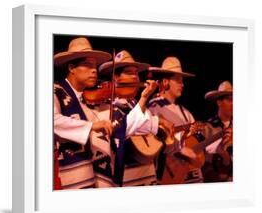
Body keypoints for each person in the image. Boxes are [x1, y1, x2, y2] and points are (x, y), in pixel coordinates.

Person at [98, 50, 173, 187]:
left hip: (148, 178)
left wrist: (168, 138)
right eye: (129, 72)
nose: (135, 77)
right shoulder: (105, 107)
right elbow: (124, 129)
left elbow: (151, 145)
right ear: (116, 77)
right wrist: (146, 102)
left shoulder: (137, 106)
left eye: (136, 73)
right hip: (126, 182)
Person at [53, 37, 113, 189]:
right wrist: (91, 126)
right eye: (87, 65)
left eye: (95, 66)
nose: (94, 70)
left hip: (99, 174)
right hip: (72, 175)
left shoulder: (97, 99)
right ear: (71, 68)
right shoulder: (55, 91)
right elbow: (52, 121)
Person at [148, 56, 204, 184]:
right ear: (166, 82)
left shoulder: (186, 112)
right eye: (178, 80)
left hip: (190, 174)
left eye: (182, 81)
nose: (182, 85)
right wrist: (180, 149)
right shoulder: (153, 109)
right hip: (168, 174)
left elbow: (196, 145)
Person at [201, 81, 233, 182]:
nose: (233, 104)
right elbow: (203, 161)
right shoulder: (207, 127)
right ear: (219, 102)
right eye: (229, 100)